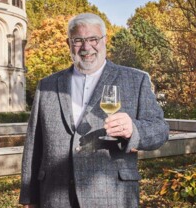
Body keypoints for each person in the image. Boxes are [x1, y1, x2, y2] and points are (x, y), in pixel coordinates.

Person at [19, 13, 169, 208]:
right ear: (68, 43)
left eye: (93, 39)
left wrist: (134, 129)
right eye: (78, 40)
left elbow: (160, 129)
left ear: (104, 40)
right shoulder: (47, 85)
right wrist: (29, 198)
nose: (86, 47)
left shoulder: (135, 80)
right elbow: (33, 144)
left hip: (112, 195)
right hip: (55, 197)